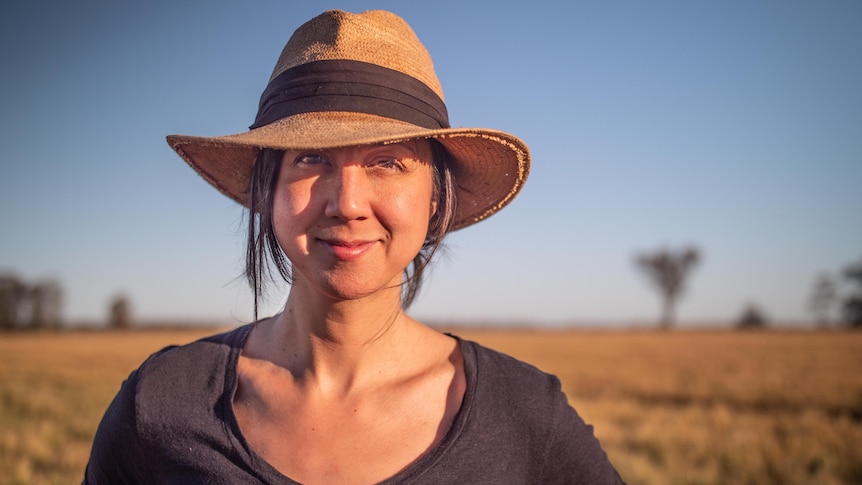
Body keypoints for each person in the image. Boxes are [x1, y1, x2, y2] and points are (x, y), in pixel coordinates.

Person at [84, 9, 623, 484]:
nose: (347, 203)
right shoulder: (157, 404)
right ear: (267, 188)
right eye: (311, 158)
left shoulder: (525, 414)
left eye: (387, 162)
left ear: (436, 196)